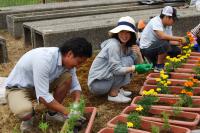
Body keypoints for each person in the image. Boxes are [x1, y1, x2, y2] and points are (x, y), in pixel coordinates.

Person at [5, 37, 92, 132]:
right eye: (79, 62)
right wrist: (67, 111)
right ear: (69, 54)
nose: (78, 66)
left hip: (40, 85)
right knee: (24, 112)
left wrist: (77, 101)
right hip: (19, 88)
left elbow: (75, 85)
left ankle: (52, 114)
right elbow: (43, 96)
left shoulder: (67, 63)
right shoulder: (44, 59)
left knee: (67, 78)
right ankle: (29, 118)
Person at [87, 16, 152, 103]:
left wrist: (139, 54)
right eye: (121, 32)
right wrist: (134, 68)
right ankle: (113, 94)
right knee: (127, 62)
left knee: (129, 60)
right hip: (98, 84)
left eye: (127, 32)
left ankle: (117, 89)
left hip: (106, 79)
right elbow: (116, 69)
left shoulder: (129, 46)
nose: (124, 35)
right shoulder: (114, 45)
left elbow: (140, 68)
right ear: (117, 32)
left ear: (131, 34)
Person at [139, 6, 187, 72]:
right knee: (164, 44)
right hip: (146, 49)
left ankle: (171, 65)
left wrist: (179, 43)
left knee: (176, 50)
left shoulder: (168, 25)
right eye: (173, 19)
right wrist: (180, 38)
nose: (174, 21)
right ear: (167, 17)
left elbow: (169, 40)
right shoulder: (156, 21)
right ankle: (159, 66)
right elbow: (162, 36)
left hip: (156, 46)